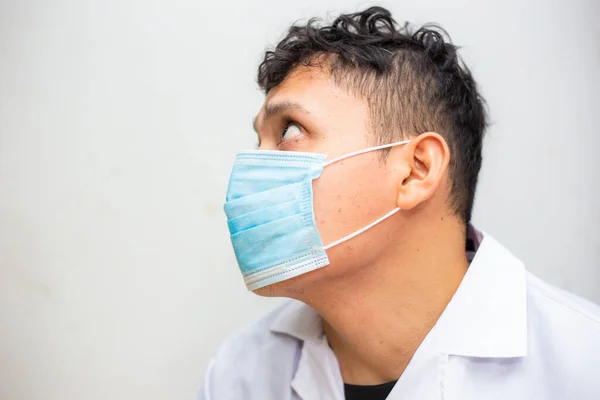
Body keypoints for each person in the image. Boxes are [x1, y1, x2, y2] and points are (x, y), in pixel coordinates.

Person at [200, 6, 600, 400]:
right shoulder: (240, 373)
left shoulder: (582, 364)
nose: (252, 170)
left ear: (416, 171)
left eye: (289, 130)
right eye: (259, 143)